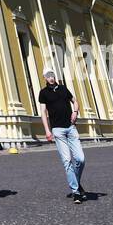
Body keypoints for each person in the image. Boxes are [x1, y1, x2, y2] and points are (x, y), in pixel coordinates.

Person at [38, 69, 86, 203]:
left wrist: (75, 111)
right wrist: (47, 130)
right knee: (67, 161)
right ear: (45, 78)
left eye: (52, 75)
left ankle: (75, 182)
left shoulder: (64, 89)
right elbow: (43, 112)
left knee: (80, 159)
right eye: (48, 76)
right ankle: (76, 191)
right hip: (57, 130)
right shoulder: (43, 93)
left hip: (71, 128)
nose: (51, 78)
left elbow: (75, 101)